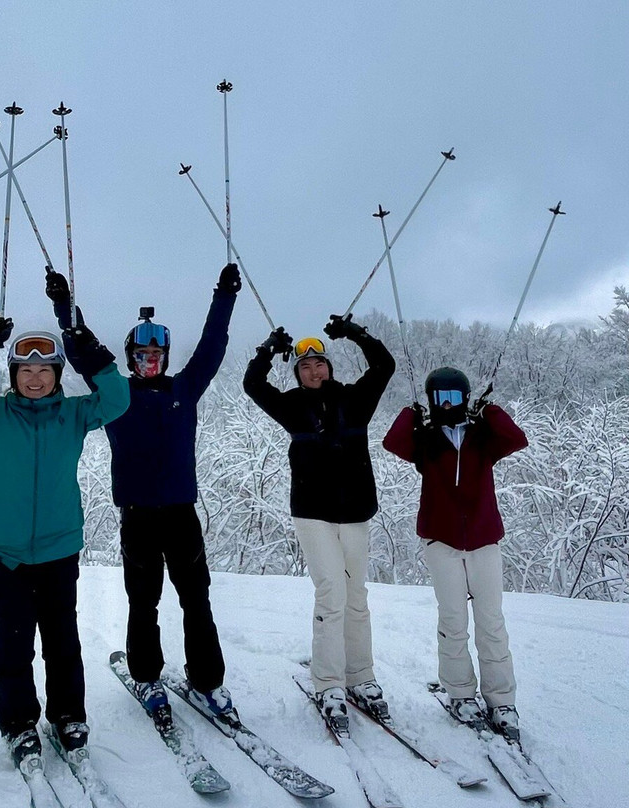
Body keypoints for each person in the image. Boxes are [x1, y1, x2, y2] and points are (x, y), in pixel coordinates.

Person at [47, 264, 242, 723]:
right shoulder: (116, 395)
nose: (149, 358)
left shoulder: (185, 389)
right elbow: (83, 353)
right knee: (143, 600)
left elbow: (213, 346)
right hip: (137, 516)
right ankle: (147, 676)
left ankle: (208, 681)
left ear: (166, 357)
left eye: (157, 352)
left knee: (197, 599)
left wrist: (225, 295)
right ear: (131, 356)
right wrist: (64, 306)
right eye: (141, 351)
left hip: (181, 514)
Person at [0, 309, 129, 766]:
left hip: (60, 546)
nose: (36, 378)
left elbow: (118, 397)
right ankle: (19, 723)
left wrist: (89, 350)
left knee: (63, 637)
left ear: (58, 374)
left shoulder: (76, 413)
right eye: (27, 369)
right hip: (3, 550)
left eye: (45, 369)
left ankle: (68, 716)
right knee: (15, 638)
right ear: (15, 373)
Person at [243, 316, 395, 733]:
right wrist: (266, 350)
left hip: (356, 511)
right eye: (305, 367)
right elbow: (253, 386)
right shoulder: (291, 405)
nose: (313, 371)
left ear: (330, 367)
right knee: (331, 592)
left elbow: (384, 367)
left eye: (319, 364)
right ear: (297, 373)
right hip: (312, 513)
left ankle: (361, 677)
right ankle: (329, 683)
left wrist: (357, 334)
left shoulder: (355, 399)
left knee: (356, 596)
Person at [382, 367, 528, 740]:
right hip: (442, 542)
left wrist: (490, 409)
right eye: (440, 398)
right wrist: (411, 414)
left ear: (466, 398)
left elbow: (516, 438)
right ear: (432, 401)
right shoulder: (426, 441)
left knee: (491, 620)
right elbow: (392, 442)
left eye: (455, 397)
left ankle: (501, 699)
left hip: (484, 541)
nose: (448, 404)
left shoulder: (483, 437)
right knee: (453, 621)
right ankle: (461, 693)